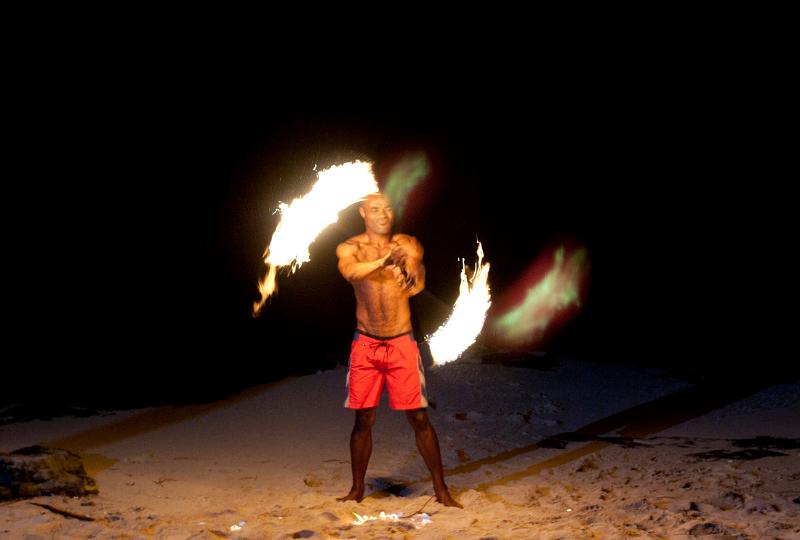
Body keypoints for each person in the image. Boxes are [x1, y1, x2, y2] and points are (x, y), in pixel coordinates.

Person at [335, 192, 462, 508]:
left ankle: (441, 489)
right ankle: (356, 489)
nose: (383, 214)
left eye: (388, 209)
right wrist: (382, 262)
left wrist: (405, 269)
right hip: (365, 343)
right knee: (363, 419)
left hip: (401, 343)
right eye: (376, 209)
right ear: (364, 212)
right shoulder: (350, 247)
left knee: (419, 418)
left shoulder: (408, 243)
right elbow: (351, 273)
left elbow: (417, 285)